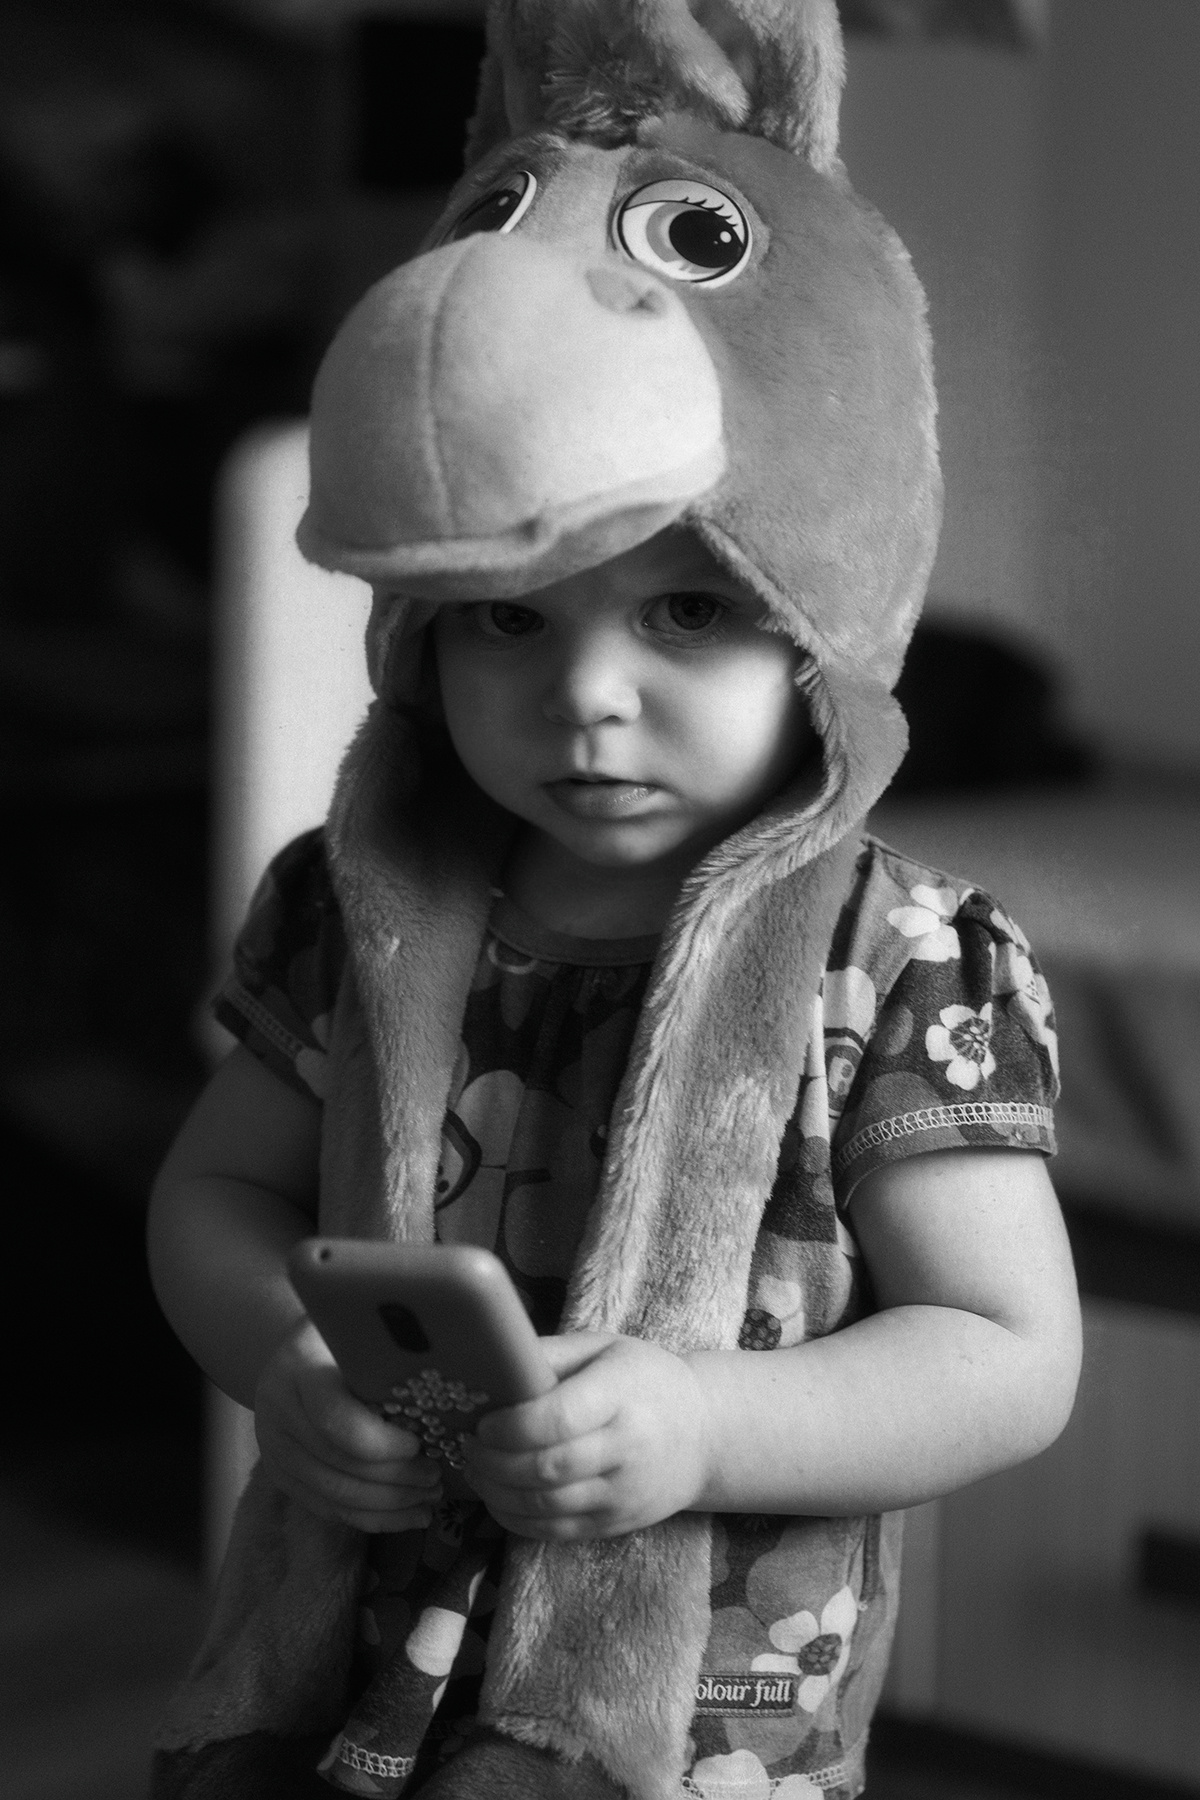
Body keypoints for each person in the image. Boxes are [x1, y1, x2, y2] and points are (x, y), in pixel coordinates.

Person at [149, 522, 1081, 1800]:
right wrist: (280, 1358)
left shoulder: (904, 957)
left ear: (823, 641)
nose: (586, 692)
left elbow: (1008, 1355)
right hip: (348, 1670)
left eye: (689, 613)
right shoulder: (353, 904)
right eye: (510, 618)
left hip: (701, 1735)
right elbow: (216, 1193)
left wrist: (703, 1428)